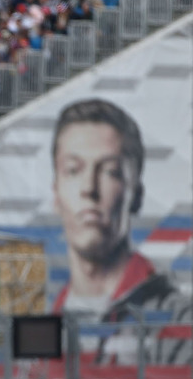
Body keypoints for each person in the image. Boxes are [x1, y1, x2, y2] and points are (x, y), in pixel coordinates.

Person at [50, 98, 191, 364]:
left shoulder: (177, 318)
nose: (89, 189)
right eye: (73, 170)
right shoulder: (47, 318)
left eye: (110, 172)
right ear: (55, 193)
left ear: (136, 195)